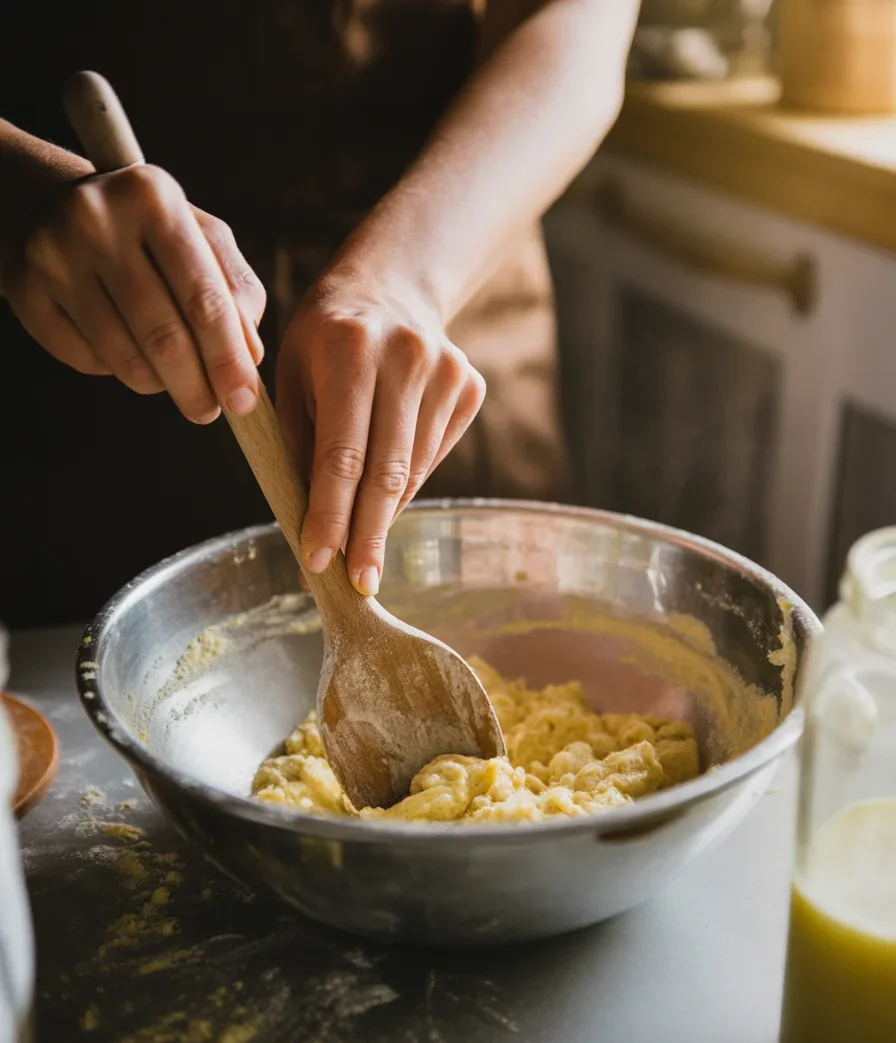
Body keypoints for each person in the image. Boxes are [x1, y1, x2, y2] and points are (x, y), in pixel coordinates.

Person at [0, 0, 638, 625]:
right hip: (92, 312)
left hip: (450, 253)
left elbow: (574, 15)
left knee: (516, 621)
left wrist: (405, 282)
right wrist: (21, 193)